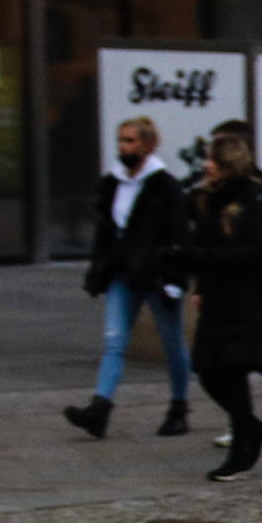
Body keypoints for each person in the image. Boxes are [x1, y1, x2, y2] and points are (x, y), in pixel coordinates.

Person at [176, 131, 262, 481]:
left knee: (232, 370)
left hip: (248, 297)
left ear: (228, 162)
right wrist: (196, 273)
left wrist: (205, 257)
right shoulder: (208, 197)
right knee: (207, 368)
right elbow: (199, 238)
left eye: (212, 159)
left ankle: (241, 451)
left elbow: (256, 249)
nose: (206, 165)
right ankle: (251, 428)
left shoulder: (254, 195)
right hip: (218, 295)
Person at [66, 116, 191, 440]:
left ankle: (179, 407)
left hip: (156, 274)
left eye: (131, 141)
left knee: (171, 343)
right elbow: (104, 235)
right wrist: (96, 277)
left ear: (148, 145)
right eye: (121, 140)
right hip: (122, 272)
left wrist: (175, 277)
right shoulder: (112, 183)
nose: (124, 147)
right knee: (114, 342)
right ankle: (100, 408)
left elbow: (179, 235)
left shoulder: (165, 186)